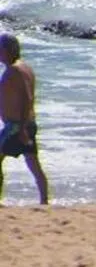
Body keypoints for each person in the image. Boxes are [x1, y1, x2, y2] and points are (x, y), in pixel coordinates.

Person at [0, 33, 49, 205]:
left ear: (7, 50)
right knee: (33, 163)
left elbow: (27, 97)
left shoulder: (15, 70)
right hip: (24, 124)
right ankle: (44, 200)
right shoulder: (24, 67)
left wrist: (21, 129)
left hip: (16, 126)